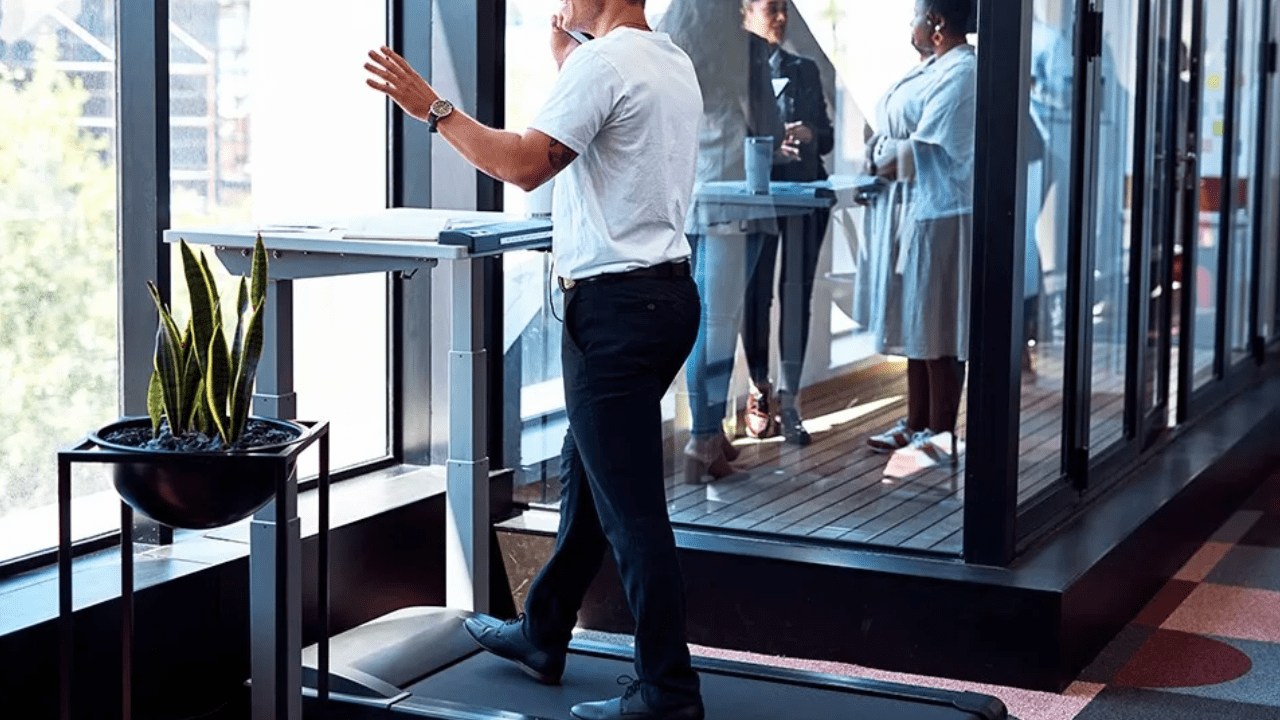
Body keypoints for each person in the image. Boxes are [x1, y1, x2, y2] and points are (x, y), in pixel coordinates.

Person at [364, 2, 706, 718]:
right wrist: (563, 56)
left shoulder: (601, 64)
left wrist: (434, 109)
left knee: (633, 516)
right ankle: (544, 632)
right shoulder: (665, 59)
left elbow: (522, 165)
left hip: (613, 315)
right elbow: (612, 135)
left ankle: (668, 694)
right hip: (668, 301)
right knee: (593, 485)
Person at [661, 0, 789, 482]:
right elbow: (769, 129)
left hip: (684, 196)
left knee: (704, 318)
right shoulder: (749, 50)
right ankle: (702, 442)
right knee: (717, 322)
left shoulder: (668, 46)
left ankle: (712, 432)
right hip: (736, 196)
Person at [858, 0, 976, 468]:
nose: (911, 24)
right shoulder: (931, 68)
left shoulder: (962, 73)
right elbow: (886, 137)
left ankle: (940, 431)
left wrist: (883, 156)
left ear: (937, 23)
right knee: (915, 320)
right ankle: (916, 421)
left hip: (942, 213)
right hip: (912, 209)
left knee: (938, 323)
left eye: (914, 15)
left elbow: (925, 145)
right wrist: (880, 152)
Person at [739, 0, 835, 446]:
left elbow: (829, 136)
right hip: (758, 199)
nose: (780, 17)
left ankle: (792, 401)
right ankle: (760, 390)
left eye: (784, 8)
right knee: (754, 297)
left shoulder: (804, 69)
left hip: (804, 196)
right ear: (745, 12)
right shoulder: (734, 68)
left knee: (796, 297)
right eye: (770, 8)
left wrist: (811, 133)